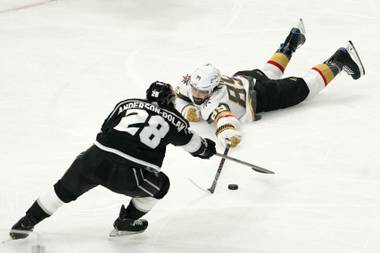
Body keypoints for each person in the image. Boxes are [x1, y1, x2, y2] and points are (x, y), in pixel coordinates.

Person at [9, 81, 216, 239]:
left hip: (93, 159)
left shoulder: (126, 104)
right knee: (161, 185)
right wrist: (208, 149)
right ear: (170, 100)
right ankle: (126, 221)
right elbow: (195, 146)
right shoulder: (176, 119)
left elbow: (106, 127)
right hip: (129, 175)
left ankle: (27, 221)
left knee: (63, 190)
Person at [175, 19, 365, 148]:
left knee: (304, 88)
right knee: (269, 72)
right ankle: (292, 40)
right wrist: (186, 110)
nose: (197, 95)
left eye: (203, 92)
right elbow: (179, 95)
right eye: (195, 89)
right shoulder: (191, 83)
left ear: (214, 88)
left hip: (261, 95)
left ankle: (339, 60)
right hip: (245, 78)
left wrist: (226, 133)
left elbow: (223, 118)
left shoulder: (213, 104)